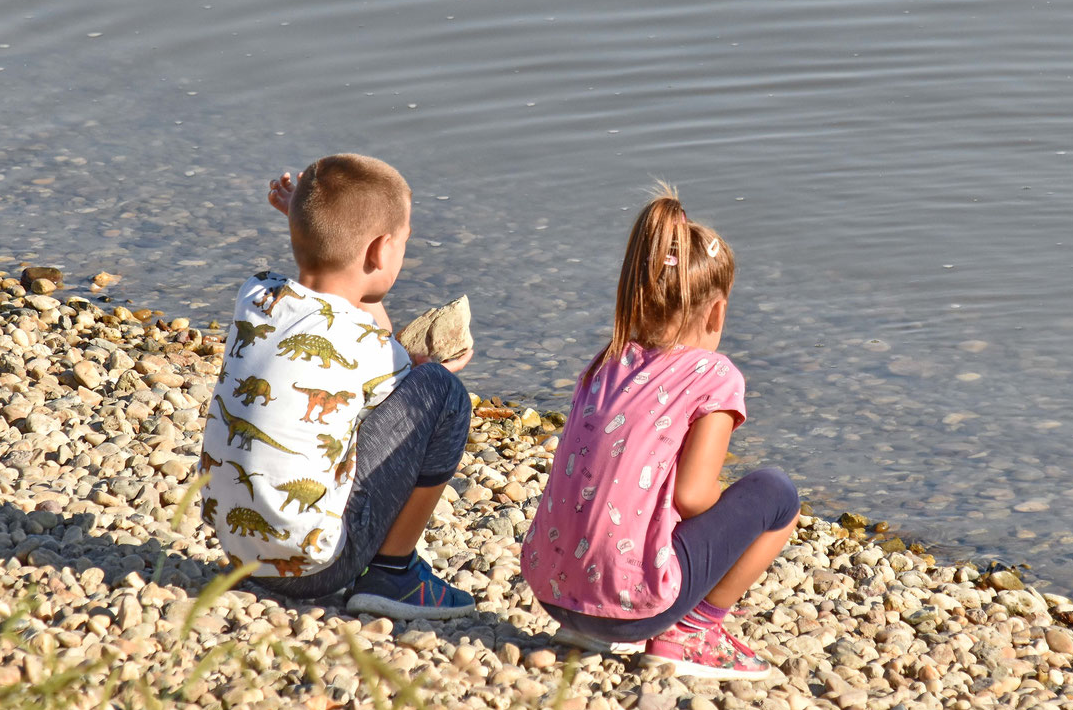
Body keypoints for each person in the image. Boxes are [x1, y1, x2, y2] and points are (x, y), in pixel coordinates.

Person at [519, 183, 800, 680]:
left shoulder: (605, 365)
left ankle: (591, 625)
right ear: (717, 311)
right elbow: (692, 497)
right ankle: (693, 630)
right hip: (635, 607)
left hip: (555, 591)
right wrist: (728, 526)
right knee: (776, 494)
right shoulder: (715, 375)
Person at [198, 153, 476, 621]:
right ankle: (396, 572)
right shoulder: (367, 344)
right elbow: (394, 370)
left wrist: (309, 225)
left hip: (237, 550)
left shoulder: (257, 293)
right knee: (442, 395)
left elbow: (341, 297)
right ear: (380, 251)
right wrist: (435, 372)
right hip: (315, 568)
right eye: (404, 244)